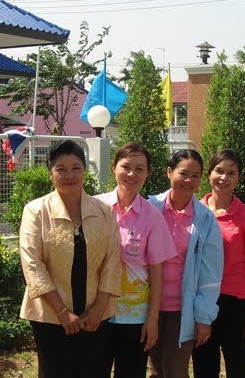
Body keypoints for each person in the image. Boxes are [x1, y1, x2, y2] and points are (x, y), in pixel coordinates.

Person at [19, 140, 122, 378]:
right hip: (49, 315)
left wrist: (98, 309)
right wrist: (62, 312)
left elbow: (112, 261)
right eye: (61, 169)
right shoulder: (36, 211)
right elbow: (32, 264)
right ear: (50, 173)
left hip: (94, 316)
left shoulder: (104, 212)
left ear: (84, 171)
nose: (69, 175)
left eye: (76, 168)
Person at [95, 142, 177, 378]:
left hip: (134, 318)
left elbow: (157, 271)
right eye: (126, 167)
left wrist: (152, 319)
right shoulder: (95, 207)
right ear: (114, 167)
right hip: (97, 313)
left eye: (139, 169)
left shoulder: (152, 216)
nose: (132, 174)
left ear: (148, 173)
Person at [147, 149, 224, 378]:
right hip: (146, 305)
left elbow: (211, 274)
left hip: (183, 310)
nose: (189, 180)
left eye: (195, 175)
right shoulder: (151, 208)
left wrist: (203, 317)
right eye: (183, 173)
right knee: (154, 370)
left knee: (176, 370)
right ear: (169, 172)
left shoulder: (205, 219)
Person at [192, 149, 245, 378]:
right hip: (201, 300)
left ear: (239, 178)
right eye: (219, 171)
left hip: (235, 301)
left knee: (239, 366)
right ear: (209, 174)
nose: (224, 178)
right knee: (204, 366)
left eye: (231, 173)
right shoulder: (195, 212)